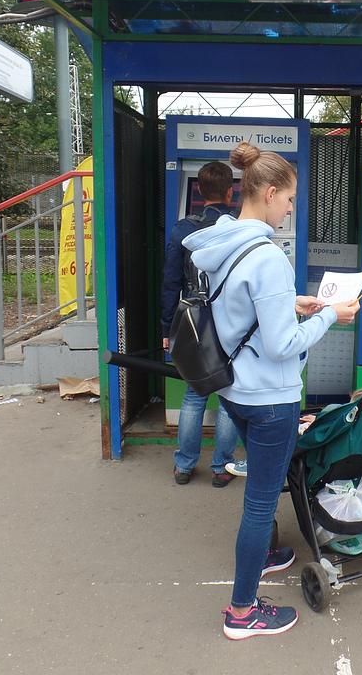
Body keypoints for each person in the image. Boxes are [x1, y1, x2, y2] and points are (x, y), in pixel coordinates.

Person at [183, 142, 360, 639]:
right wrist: (330, 315)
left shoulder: (222, 244)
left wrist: (293, 304)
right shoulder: (269, 257)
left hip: (234, 390)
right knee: (261, 503)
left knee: (260, 494)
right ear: (269, 192)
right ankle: (242, 612)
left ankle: (262, 554)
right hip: (270, 400)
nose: (289, 209)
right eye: (289, 200)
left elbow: (242, 312)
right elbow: (282, 345)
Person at [161, 160, 239, 488]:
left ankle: (184, 465)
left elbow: (170, 283)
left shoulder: (183, 229)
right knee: (229, 397)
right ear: (231, 192)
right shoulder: (239, 228)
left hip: (194, 323)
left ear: (199, 190)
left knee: (194, 395)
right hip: (232, 323)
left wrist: (167, 329)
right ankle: (222, 467)